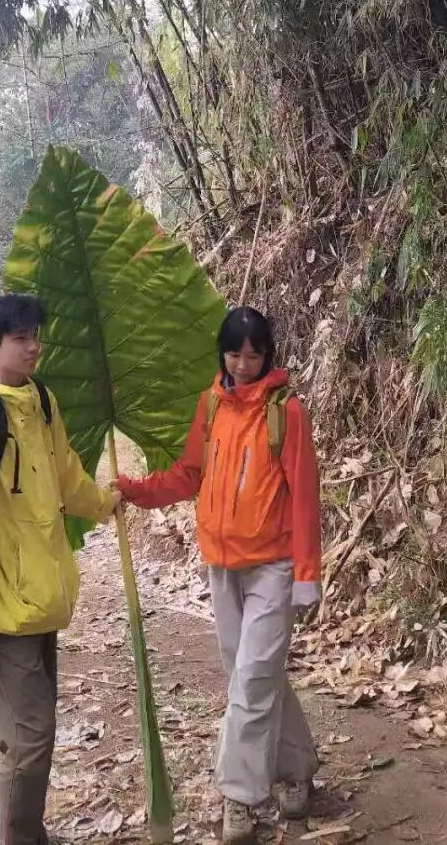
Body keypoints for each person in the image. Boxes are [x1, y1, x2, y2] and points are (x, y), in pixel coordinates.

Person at [116, 306, 321, 845]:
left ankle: (239, 797)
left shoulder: (286, 412)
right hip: (221, 565)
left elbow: (305, 496)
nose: (244, 365)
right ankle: (296, 770)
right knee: (254, 676)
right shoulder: (211, 404)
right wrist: (134, 491)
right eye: (234, 354)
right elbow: (189, 475)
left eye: (254, 355)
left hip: (273, 566)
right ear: (222, 354)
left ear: (268, 355)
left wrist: (307, 573)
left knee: (251, 680)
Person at [0, 293, 117, 845]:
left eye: (36, 335)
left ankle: (30, 833)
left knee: (31, 734)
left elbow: (66, 475)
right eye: (21, 338)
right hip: (5, 611)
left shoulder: (40, 400)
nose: (34, 346)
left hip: (43, 598)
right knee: (30, 738)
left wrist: (106, 503)